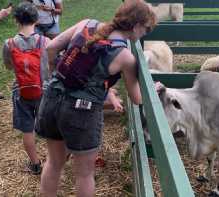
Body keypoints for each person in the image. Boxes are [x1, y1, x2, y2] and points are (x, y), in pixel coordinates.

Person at [35, 0, 157, 196]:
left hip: (51, 98)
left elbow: (51, 48)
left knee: (54, 162)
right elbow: (136, 98)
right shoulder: (125, 56)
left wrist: (54, 75)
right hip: (81, 112)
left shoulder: (86, 24)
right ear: (136, 26)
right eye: (146, 29)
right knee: (84, 174)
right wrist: (154, 88)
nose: (145, 33)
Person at [2, 2, 50, 175]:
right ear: (36, 20)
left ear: (16, 20)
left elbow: (8, 66)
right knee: (50, 126)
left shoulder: (9, 44)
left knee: (27, 130)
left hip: (21, 92)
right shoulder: (46, 41)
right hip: (44, 90)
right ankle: (55, 160)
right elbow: (52, 65)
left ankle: (35, 164)